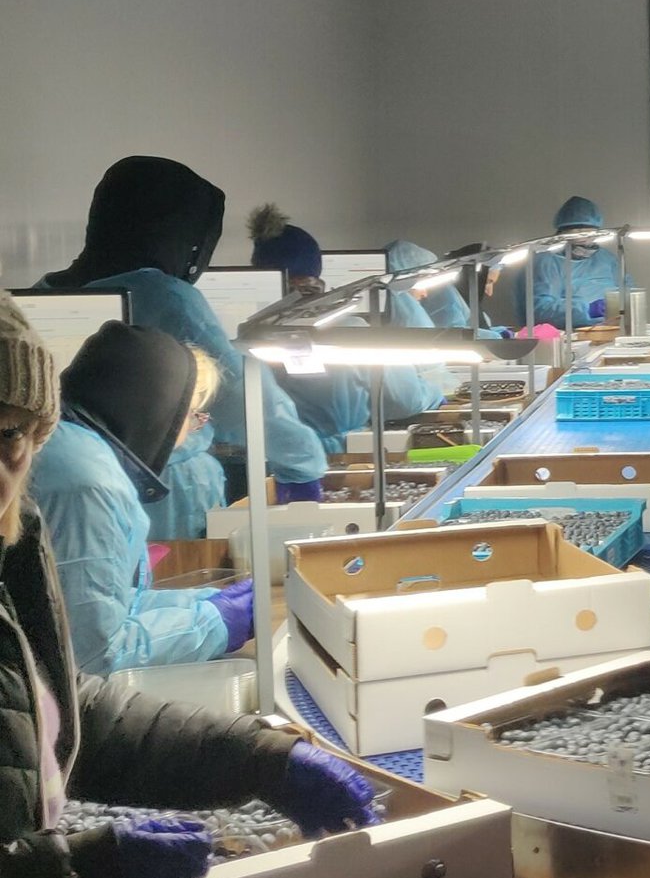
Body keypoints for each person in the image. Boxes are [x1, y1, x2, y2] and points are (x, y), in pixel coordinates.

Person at [0, 291, 378, 878]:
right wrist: (68, 871)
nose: (6, 468)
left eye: (18, 440)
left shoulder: (11, 544)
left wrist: (261, 758)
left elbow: (76, 717)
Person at [31, 156, 326, 538]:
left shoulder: (42, 293)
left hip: (59, 493)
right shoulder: (164, 295)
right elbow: (242, 397)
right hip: (165, 498)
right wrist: (304, 466)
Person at [33, 324, 253, 674]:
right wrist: (216, 623)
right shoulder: (88, 483)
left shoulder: (71, 446)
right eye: (192, 416)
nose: (189, 432)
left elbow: (111, 603)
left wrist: (201, 603)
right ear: (158, 413)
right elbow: (95, 653)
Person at [251, 207, 442, 450]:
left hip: (264, 463)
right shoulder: (348, 329)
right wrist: (434, 393)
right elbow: (404, 400)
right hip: (341, 454)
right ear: (316, 274)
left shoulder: (245, 332)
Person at [527, 196, 624, 329]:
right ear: (561, 233)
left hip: (611, 329)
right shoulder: (548, 260)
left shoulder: (606, 259)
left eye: (588, 232)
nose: (582, 238)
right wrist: (586, 310)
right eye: (575, 231)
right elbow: (541, 310)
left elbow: (627, 290)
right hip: (571, 335)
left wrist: (625, 305)